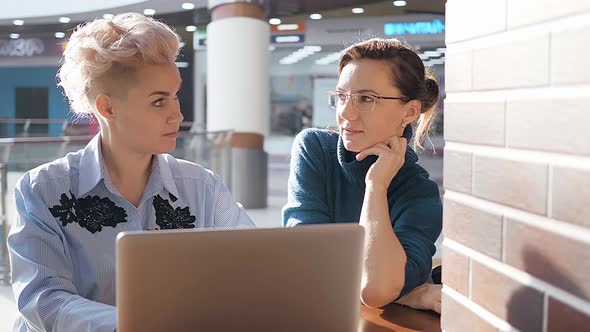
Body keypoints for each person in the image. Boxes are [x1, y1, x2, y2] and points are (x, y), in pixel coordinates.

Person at [8, 13, 253, 332]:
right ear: (107, 108)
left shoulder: (201, 187)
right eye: (158, 102)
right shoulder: (42, 190)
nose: (177, 115)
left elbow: (251, 269)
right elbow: (43, 300)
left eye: (175, 96)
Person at [282, 38, 442, 313]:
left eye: (366, 99)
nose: (346, 113)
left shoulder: (420, 192)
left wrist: (376, 185)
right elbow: (305, 262)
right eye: (342, 97)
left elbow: (376, 289)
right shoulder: (315, 149)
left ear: (410, 111)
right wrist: (403, 293)